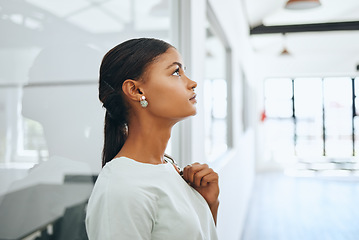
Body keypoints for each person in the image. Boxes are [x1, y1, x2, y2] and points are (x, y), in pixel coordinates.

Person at [85, 38, 219, 240]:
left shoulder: (167, 167)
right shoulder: (121, 190)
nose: (192, 83)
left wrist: (209, 204)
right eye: (176, 72)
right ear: (136, 90)